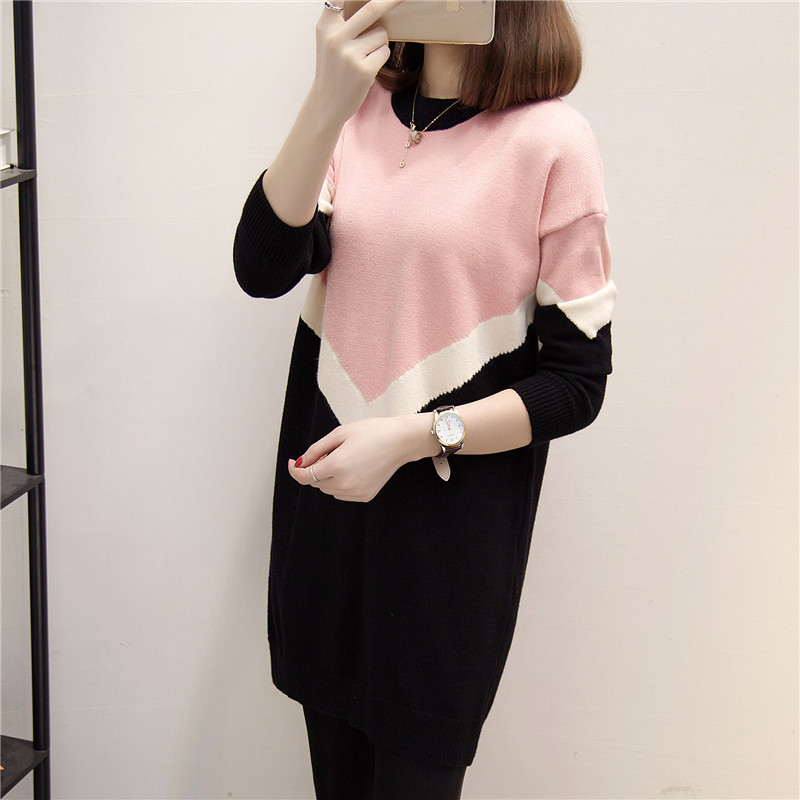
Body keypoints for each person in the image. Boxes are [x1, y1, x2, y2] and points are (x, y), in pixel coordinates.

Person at [232, 0, 617, 797]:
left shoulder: (552, 141)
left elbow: (577, 381)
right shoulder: (355, 115)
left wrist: (413, 436)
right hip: (325, 520)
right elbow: (261, 268)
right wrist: (326, 99)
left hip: (447, 550)